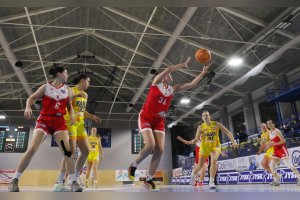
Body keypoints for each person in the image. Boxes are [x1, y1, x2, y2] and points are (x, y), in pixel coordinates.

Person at [127, 57, 211, 190]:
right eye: (169, 75)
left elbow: (191, 85)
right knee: (150, 145)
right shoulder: (156, 83)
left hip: (159, 121)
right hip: (146, 117)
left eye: (170, 75)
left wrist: (203, 73)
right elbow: (168, 69)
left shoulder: (173, 89)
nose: (170, 76)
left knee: (159, 150)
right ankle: (133, 166)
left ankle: (148, 179)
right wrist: (182, 64)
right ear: (164, 78)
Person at [8, 65, 83, 192]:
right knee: (32, 149)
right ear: (59, 74)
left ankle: (74, 182)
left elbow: (69, 106)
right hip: (44, 121)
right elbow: (31, 98)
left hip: (59, 123)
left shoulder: (68, 90)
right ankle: (14, 180)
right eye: (66, 73)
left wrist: (71, 115)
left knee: (68, 152)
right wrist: (28, 107)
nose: (68, 75)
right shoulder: (45, 87)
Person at [53, 74, 101, 191]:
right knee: (70, 152)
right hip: (70, 122)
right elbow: (62, 102)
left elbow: (82, 111)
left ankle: (72, 177)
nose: (89, 84)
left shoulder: (85, 95)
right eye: (88, 81)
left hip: (80, 124)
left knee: (85, 151)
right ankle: (59, 182)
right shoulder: (70, 89)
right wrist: (74, 95)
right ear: (82, 80)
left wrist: (92, 116)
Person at [191, 110, 237, 189]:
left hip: (215, 146)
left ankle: (211, 181)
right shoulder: (201, 127)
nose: (205, 116)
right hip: (205, 146)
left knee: (214, 160)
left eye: (207, 115)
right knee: (200, 165)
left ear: (210, 116)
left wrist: (233, 142)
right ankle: (193, 175)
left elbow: (228, 132)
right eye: (203, 115)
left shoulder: (216, 124)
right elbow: (197, 138)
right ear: (202, 118)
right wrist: (194, 140)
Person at [265, 119, 300, 186]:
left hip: (282, 149)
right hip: (276, 151)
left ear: (273, 124)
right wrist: (268, 145)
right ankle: (276, 180)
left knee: (288, 164)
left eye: (270, 123)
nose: (269, 125)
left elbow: (283, 141)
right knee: (271, 165)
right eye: (268, 124)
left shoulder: (277, 131)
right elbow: (272, 141)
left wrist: (274, 144)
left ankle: (299, 177)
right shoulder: (269, 133)